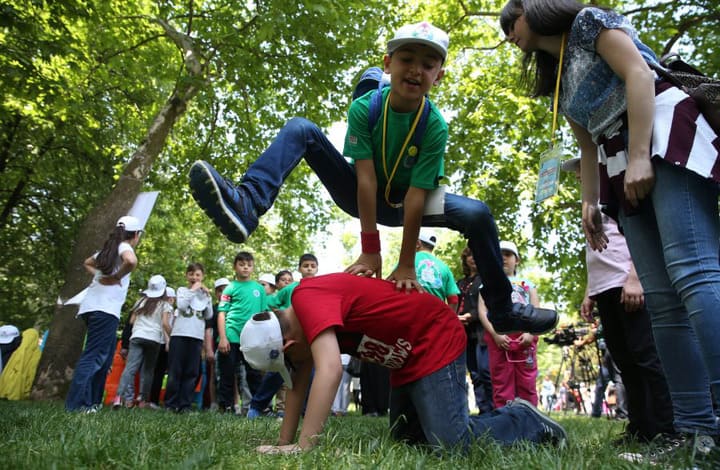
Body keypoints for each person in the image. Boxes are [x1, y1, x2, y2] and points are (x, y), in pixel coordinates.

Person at [188, 21, 556, 336]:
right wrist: (370, 248)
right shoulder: (365, 107)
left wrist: (407, 261)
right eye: (406, 60)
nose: (415, 70)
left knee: (477, 214)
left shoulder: (435, 126)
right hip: (360, 193)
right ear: (388, 64)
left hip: (410, 201)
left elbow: (416, 196)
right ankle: (247, 203)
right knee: (301, 129)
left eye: (427, 65)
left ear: (438, 76)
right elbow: (364, 179)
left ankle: (503, 307)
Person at [501, 0, 720, 462]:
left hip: (657, 130)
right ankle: (694, 430)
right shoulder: (558, 77)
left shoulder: (588, 22)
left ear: (535, 8)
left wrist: (640, 155)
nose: (508, 33)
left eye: (511, 19)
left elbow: (639, 75)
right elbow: (586, 145)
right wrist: (591, 201)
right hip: (616, 157)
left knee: (695, 274)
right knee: (661, 301)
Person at [239, 273, 566, 454]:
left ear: (289, 345)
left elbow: (330, 369)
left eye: (289, 361)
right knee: (407, 437)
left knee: (452, 444)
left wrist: (304, 446)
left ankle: (523, 418)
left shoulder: (307, 299)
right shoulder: (301, 325)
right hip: (407, 359)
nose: (294, 367)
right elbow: (298, 385)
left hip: (435, 339)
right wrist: (283, 444)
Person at [563, 156, 673, 443]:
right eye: (576, 172)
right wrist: (590, 291)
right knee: (624, 361)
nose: (578, 176)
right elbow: (596, 252)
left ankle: (666, 427)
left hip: (628, 284)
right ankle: (640, 428)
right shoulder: (589, 204)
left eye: (581, 169)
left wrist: (636, 277)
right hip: (605, 289)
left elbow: (643, 234)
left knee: (645, 357)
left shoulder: (617, 191)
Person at [65, 215, 141, 412]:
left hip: (94, 309)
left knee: (104, 357)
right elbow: (131, 261)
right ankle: (77, 405)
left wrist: (100, 275)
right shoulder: (124, 247)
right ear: (135, 235)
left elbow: (87, 263)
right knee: (93, 356)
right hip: (104, 310)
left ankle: (93, 403)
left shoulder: (106, 251)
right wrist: (115, 277)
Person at [247, 254, 318, 419]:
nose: (309, 268)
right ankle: (256, 407)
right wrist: (281, 317)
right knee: (277, 371)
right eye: (305, 265)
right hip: (289, 338)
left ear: (317, 268)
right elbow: (271, 302)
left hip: (310, 339)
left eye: (312, 266)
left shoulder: (319, 287)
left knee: (311, 375)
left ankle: (304, 412)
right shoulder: (292, 288)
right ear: (299, 268)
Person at [479, 241, 539, 408]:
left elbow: (535, 309)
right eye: (500, 255)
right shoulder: (488, 284)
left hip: (524, 337)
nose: (504, 259)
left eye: (508, 255)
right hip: (499, 337)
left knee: (527, 380)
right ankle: (505, 420)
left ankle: (530, 418)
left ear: (516, 260)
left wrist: (530, 333)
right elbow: (482, 311)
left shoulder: (528, 284)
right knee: (501, 381)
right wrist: (495, 334)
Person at [216, 252, 267, 413]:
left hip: (252, 339)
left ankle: (261, 407)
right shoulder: (230, 288)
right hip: (231, 336)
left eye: (249, 264)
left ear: (252, 268)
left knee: (254, 373)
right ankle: (226, 406)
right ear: (235, 267)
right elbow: (222, 313)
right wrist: (223, 338)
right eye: (241, 264)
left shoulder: (259, 289)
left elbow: (264, 315)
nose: (245, 267)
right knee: (227, 373)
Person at [113, 275, 172, 409]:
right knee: (148, 370)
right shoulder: (165, 305)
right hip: (154, 339)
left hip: (137, 336)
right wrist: (171, 336)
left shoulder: (140, 302)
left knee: (130, 369)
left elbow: (132, 321)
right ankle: (142, 399)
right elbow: (165, 323)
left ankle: (118, 398)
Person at [165, 262, 213, 412]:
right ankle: (171, 404)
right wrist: (193, 289)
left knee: (191, 372)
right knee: (175, 370)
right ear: (187, 276)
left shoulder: (203, 295)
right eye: (191, 274)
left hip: (196, 337)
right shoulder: (182, 291)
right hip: (179, 335)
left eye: (198, 275)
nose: (194, 277)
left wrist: (209, 298)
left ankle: (184, 404)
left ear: (202, 277)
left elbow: (209, 315)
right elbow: (181, 306)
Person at [456, 246, 493, 414]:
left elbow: (487, 307)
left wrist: (469, 316)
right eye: (469, 255)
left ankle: (494, 407)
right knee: (474, 374)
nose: (473, 258)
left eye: (476, 255)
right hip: (464, 334)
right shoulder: (460, 283)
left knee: (485, 371)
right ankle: (483, 410)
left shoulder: (485, 280)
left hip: (481, 331)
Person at [414, 229, 460, 309]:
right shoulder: (444, 267)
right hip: (436, 317)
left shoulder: (407, 262)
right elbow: (453, 299)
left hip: (411, 314)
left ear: (418, 243)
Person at [202, 278, 229, 410]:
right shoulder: (213, 309)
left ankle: (234, 403)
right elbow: (208, 329)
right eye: (219, 290)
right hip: (216, 344)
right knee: (213, 374)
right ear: (216, 293)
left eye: (225, 290)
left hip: (233, 344)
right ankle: (213, 403)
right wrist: (208, 349)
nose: (222, 293)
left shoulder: (236, 308)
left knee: (233, 375)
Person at [148, 286, 175, 409]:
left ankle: (154, 399)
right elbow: (165, 325)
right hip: (164, 343)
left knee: (157, 372)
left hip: (157, 341)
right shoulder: (167, 307)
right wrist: (169, 341)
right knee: (161, 372)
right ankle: (155, 400)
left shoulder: (157, 307)